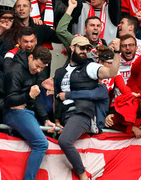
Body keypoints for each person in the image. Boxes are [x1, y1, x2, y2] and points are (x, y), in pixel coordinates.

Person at [55, 36, 121, 180]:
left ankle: (83, 175)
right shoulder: (60, 72)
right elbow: (56, 98)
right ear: (72, 48)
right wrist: (57, 120)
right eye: (81, 48)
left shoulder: (90, 67)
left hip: (81, 114)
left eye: (87, 49)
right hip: (65, 116)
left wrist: (117, 53)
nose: (85, 51)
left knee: (64, 141)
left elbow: (111, 73)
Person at [3, 46, 55, 180]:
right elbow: (9, 100)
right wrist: (28, 96)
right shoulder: (15, 71)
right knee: (42, 144)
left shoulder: (35, 71)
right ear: (30, 57)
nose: (38, 70)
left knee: (40, 144)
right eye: (37, 66)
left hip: (26, 111)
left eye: (42, 68)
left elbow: (36, 96)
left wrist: (45, 119)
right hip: (14, 112)